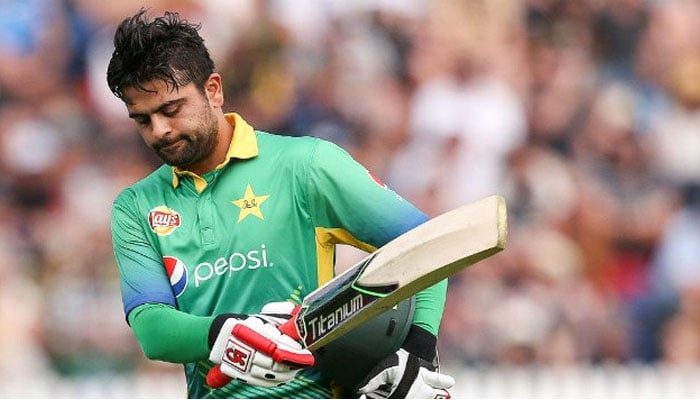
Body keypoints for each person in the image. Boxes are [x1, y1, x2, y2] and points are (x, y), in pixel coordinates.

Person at [107, 9, 454, 399]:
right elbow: (152, 329)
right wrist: (225, 332)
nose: (160, 131)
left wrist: (417, 354)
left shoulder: (306, 165)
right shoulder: (136, 206)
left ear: (214, 90)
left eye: (172, 110)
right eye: (143, 120)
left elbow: (427, 246)